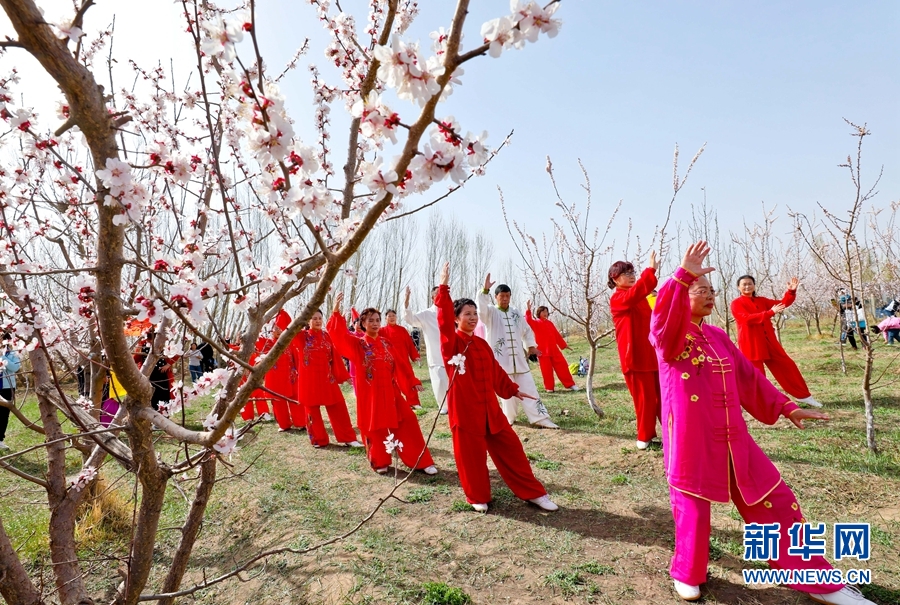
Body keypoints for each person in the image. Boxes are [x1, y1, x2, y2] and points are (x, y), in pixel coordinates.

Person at [649, 241, 871, 605]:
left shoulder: (718, 336)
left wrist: (786, 407)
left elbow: (749, 379)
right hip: (691, 437)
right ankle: (688, 572)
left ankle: (817, 580)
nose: (709, 296)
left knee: (775, 498)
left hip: (734, 435)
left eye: (711, 291)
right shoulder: (668, 337)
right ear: (680, 298)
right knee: (693, 507)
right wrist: (681, 275)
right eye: (700, 290)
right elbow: (661, 320)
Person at [435, 263, 558, 513]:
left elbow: (495, 372)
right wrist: (444, 288)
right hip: (466, 410)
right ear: (456, 318)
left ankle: (534, 493)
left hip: (490, 409)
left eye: (474, 313)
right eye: (466, 314)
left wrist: (512, 389)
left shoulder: (481, 344)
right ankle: (477, 495)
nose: (472, 317)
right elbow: (443, 321)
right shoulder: (452, 344)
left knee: (512, 447)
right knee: (471, 456)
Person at [328, 293, 437, 475]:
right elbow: (338, 337)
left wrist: (412, 381)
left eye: (378, 320)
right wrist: (336, 312)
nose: (375, 323)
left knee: (408, 420)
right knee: (375, 427)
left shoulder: (386, 343)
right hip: (370, 395)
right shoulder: (358, 344)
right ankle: (380, 461)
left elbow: (401, 364)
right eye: (370, 320)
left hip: (391, 391)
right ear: (363, 324)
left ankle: (420, 460)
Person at [476, 276, 558, 429]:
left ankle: (540, 418)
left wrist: (531, 346)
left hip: (520, 361)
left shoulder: (516, 312)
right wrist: (484, 290)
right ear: (496, 297)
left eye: (507, 296)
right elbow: (481, 309)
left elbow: (526, 331)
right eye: (502, 296)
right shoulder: (491, 312)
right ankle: (509, 417)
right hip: (500, 362)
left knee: (529, 388)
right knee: (506, 394)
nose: (505, 299)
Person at [731, 275, 822, 408]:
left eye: (750, 283)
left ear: (754, 285)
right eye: (744, 284)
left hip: (769, 341)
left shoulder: (761, 300)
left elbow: (782, 304)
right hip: (751, 343)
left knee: (787, 365)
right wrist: (769, 313)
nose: (747, 286)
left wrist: (791, 292)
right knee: (756, 374)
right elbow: (746, 319)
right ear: (738, 287)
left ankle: (803, 396)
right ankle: (759, 403)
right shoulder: (736, 303)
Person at [608, 252, 662, 449]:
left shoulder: (641, 299)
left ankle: (674, 432)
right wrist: (651, 270)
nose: (631, 276)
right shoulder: (619, 299)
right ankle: (645, 437)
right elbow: (637, 291)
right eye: (626, 273)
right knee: (645, 400)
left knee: (662, 397)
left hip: (651, 354)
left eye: (633, 272)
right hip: (635, 357)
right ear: (615, 278)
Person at [296, 309, 363, 448]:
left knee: (338, 405)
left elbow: (335, 358)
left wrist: (344, 376)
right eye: (314, 318)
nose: (318, 321)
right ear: (308, 321)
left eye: (320, 318)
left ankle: (348, 437)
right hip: (309, 380)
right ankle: (318, 439)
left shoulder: (326, 336)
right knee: (312, 410)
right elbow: (290, 331)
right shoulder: (302, 336)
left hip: (327, 378)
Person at [404, 285, 451, 414]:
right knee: (440, 380)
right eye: (438, 294)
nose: (441, 297)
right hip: (436, 353)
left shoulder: (453, 311)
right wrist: (407, 302)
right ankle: (444, 405)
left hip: (452, 353)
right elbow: (410, 319)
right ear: (432, 297)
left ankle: (456, 403)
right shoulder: (426, 314)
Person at [264, 310, 306, 432]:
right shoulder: (268, 343)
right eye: (275, 328)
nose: (277, 330)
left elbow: (298, 358)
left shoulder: (290, 342)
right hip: (274, 377)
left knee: (294, 399)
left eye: (280, 328)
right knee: (278, 401)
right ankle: (284, 424)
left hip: (290, 375)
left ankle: (300, 422)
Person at [524, 302, 579, 393]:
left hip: (554, 350)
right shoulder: (536, 323)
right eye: (543, 312)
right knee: (546, 370)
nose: (545, 313)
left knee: (563, 367)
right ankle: (549, 387)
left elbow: (557, 335)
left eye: (546, 311)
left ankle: (570, 384)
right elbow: (528, 321)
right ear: (539, 313)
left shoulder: (550, 323)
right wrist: (528, 311)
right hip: (542, 351)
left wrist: (564, 345)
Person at [380, 309, 426, 409]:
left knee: (409, 380)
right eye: (389, 316)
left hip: (403, 361)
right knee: (391, 383)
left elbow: (409, 344)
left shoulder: (402, 330)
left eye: (393, 315)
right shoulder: (382, 331)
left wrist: (415, 356)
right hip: (389, 362)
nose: (392, 317)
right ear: (385, 318)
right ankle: (394, 405)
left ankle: (414, 402)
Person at [0, 334, 22, 450]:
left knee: (3, 414)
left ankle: (0, 439)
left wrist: (3, 357)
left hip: (7, 387)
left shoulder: (13, 354)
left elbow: (15, 368)